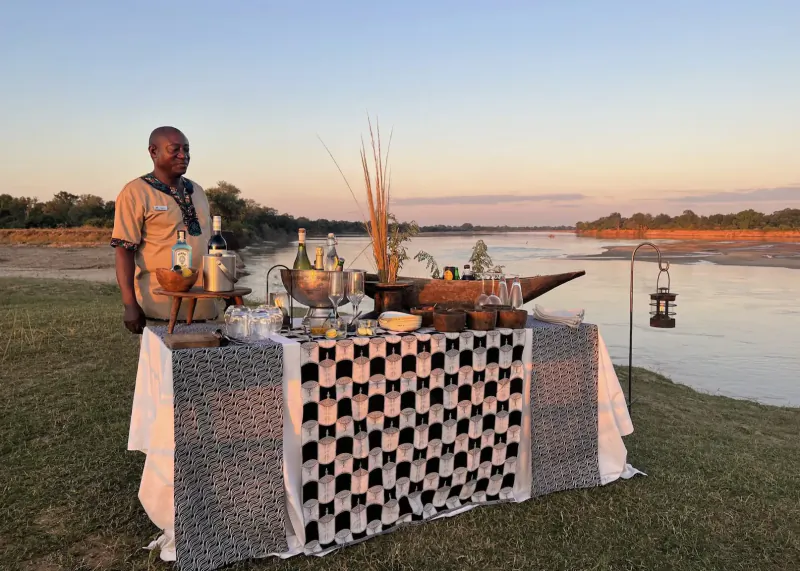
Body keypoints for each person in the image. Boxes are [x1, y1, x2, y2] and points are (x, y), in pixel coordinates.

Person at [111, 126, 217, 334]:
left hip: (205, 307)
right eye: (174, 149)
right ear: (153, 151)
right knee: (163, 366)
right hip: (160, 309)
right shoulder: (135, 192)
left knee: (207, 366)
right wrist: (130, 305)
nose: (183, 155)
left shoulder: (197, 191)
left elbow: (211, 245)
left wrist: (227, 293)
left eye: (186, 149)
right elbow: (124, 250)